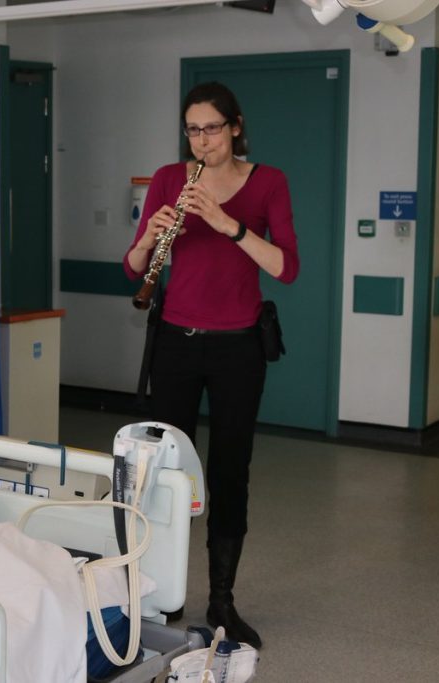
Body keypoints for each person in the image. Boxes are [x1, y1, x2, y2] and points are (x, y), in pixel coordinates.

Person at [123, 81, 299, 650]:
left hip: (237, 349)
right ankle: (152, 593)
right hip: (176, 341)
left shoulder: (268, 182)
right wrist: (149, 239)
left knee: (229, 471)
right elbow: (131, 268)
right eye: (193, 130)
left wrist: (229, 224)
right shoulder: (171, 178)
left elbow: (286, 266)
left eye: (213, 128)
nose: (202, 140)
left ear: (237, 126)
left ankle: (222, 599)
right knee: (159, 473)